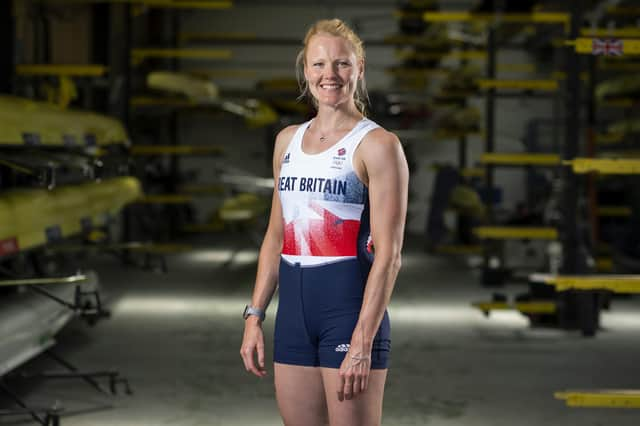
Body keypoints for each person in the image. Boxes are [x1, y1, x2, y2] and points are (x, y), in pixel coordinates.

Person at [240, 18, 409, 426]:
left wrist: (363, 341)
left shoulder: (378, 145)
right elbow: (276, 236)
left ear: (360, 68)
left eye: (341, 64)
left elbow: (389, 255)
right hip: (294, 315)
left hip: (348, 312)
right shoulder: (287, 141)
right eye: (318, 65)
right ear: (305, 71)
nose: (329, 75)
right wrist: (254, 315)